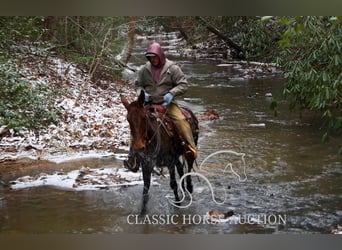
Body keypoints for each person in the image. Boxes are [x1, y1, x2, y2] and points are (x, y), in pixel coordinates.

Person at [124, 42, 198, 171]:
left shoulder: (172, 68)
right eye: (150, 58)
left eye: (155, 57)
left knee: (180, 120)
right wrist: (142, 94)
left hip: (167, 104)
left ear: (160, 55)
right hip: (148, 103)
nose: (153, 60)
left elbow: (183, 84)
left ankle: (190, 148)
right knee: (137, 124)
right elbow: (138, 85)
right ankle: (133, 158)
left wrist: (171, 93)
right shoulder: (144, 70)